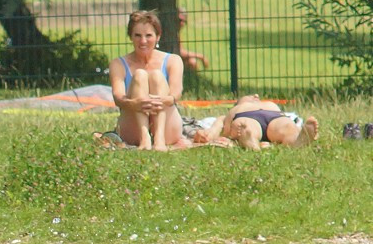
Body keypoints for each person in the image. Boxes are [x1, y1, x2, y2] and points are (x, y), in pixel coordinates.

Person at [109, 10, 189, 151]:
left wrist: (159, 101)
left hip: (167, 125)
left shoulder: (173, 60)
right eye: (138, 36)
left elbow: (175, 95)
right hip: (133, 128)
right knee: (140, 75)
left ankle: (159, 140)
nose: (143, 41)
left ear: (158, 37)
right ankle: (145, 139)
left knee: (156, 76)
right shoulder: (118, 64)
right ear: (131, 37)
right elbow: (118, 97)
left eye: (148, 36)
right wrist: (135, 103)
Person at [192, 94, 319, 150]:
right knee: (247, 126)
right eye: (250, 95)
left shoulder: (268, 104)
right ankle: (250, 139)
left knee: (287, 127)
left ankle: (298, 140)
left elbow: (290, 120)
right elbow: (216, 128)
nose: (256, 96)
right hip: (246, 117)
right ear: (239, 101)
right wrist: (208, 134)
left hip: (275, 117)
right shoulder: (233, 111)